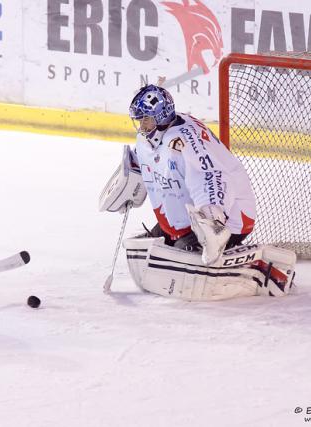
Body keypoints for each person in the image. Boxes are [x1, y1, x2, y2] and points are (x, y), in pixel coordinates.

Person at [99, 84, 295, 300]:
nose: (142, 126)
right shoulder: (153, 137)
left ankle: (258, 266)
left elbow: (209, 177)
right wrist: (131, 178)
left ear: (162, 117)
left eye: (147, 119)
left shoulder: (186, 143)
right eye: (140, 120)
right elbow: (151, 158)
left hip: (230, 213)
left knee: (183, 252)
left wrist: (212, 223)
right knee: (151, 248)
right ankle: (179, 234)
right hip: (189, 211)